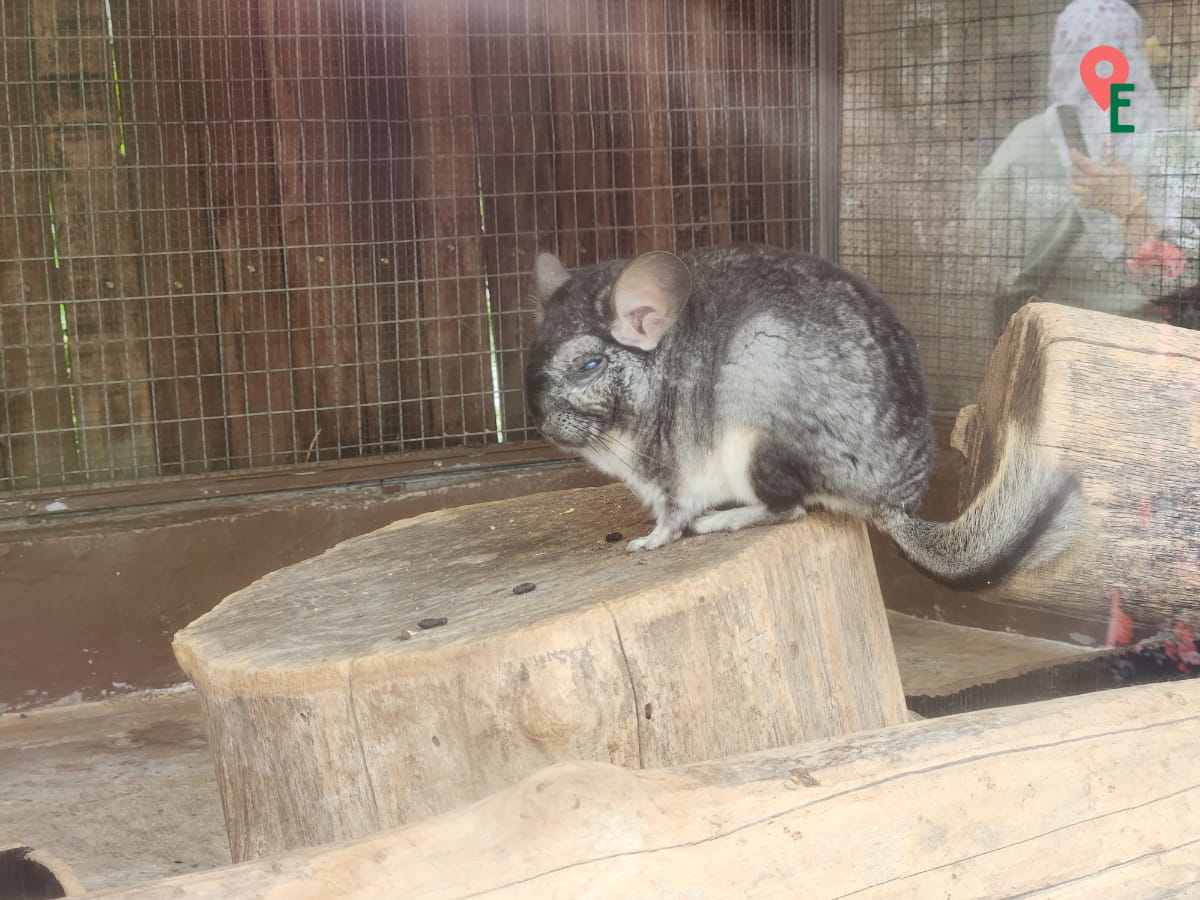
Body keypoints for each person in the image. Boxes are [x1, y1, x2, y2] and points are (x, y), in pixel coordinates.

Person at [971, 0, 1195, 336]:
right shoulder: (1164, 138)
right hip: (1146, 341)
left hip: (1051, 337)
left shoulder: (1025, 140)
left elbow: (980, 243)